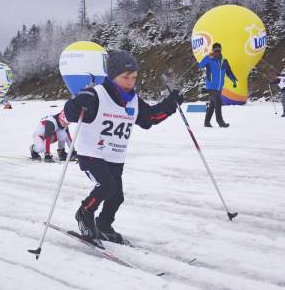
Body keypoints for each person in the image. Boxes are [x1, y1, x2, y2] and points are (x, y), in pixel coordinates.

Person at [63, 50, 183, 244]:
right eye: (125, 77)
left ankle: (103, 224)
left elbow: (149, 119)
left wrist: (171, 104)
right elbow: (69, 114)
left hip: (115, 155)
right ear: (112, 77)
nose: (130, 82)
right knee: (106, 186)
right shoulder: (97, 95)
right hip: (91, 152)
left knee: (116, 197)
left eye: (134, 77)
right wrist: (77, 102)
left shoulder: (133, 100)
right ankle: (84, 213)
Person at [198, 42, 237, 128]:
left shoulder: (224, 61)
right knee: (218, 103)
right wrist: (207, 57)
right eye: (215, 50)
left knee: (212, 105)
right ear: (213, 50)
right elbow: (200, 65)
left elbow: (229, 72)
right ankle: (220, 122)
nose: (217, 52)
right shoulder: (209, 59)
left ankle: (206, 122)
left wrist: (234, 80)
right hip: (211, 86)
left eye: (219, 50)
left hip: (219, 87)